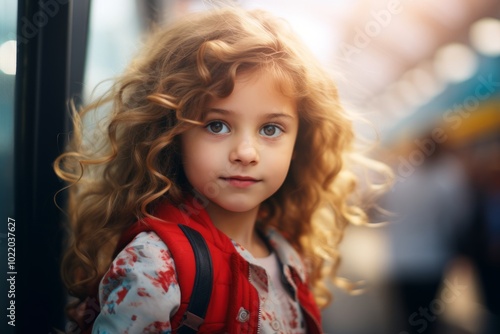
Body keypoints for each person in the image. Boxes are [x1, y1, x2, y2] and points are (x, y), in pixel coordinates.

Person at [54, 6, 387, 333]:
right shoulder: (153, 266)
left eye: (271, 129)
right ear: (170, 133)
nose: (245, 153)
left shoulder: (290, 258)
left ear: (300, 143)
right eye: (217, 125)